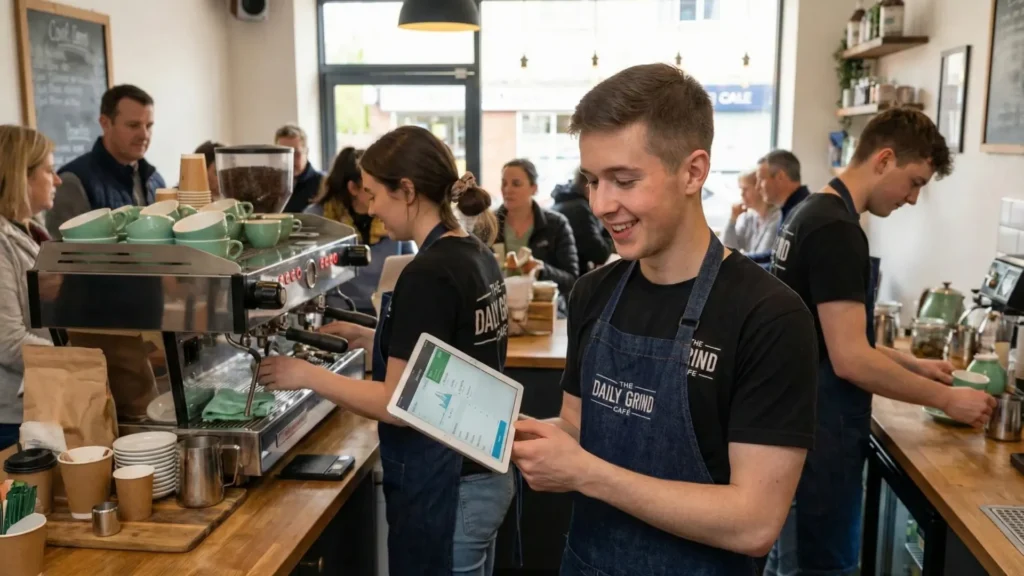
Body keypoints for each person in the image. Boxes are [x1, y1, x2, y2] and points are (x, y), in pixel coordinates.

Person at [510, 63, 818, 575]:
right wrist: (512, 435)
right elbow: (577, 425)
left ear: (693, 172)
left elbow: (754, 522)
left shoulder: (770, 318)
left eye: (624, 181)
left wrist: (587, 474)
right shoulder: (594, 294)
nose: (602, 204)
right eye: (592, 180)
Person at [257, 126, 514, 575]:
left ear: (408, 191)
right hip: (484, 475)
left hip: (447, 485)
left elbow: (398, 403)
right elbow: (450, 351)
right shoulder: (474, 252)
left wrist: (306, 374)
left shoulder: (426, 273)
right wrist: (377, 337)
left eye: (375, 194)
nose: (370, 207)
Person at [766, 108, 996, 576]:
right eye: (914, 182)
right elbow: (850, 359)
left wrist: (914, 366)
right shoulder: (837, 230)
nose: (912, 199)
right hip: (818, 439)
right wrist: (947, 399)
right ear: (884, 159)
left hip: (796, 426)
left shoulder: (813, 212)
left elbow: (829, 332)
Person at [0, 126, 58, 449]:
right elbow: (8, 342)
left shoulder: (32, 232)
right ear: (21, 175)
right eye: (49, 170)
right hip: (10, 418)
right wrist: (76, 359)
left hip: (37, 402)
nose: (58, 179)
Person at [305, 146, 416, 315]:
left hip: (386, 309)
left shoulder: (391, 215)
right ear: (353, 188)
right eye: (372, 188)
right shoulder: (317, 219)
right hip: (336, 312)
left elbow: (410, 263)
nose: (383, 192)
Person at [46, 85, 164, 239]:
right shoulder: (73, 181)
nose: (144, 135)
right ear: (105, 123)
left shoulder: (155, 180)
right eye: (133, 125)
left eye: (149, 126)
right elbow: (64, 254)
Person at [496, 158, 579, 300]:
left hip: (541, 308)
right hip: (498, 309)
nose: (507, 189)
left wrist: (541, 270)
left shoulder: (556, 224)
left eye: (516, 184)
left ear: (534, 188)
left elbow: (571, 281)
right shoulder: (490, 224)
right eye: (504, 183)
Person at [745, 150, 809, 266]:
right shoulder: (790, 209)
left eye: (761, 179)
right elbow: (777, 255)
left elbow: (782, 267)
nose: (757, 186)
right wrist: (739, 260)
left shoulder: (803, 214)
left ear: (780, 176)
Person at [550, 168, 615, 272]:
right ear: (587, 185)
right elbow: (600, 254)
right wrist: (609, 221)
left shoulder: (564, 201)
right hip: (573, 281)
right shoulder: (579, 210)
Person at [722, 169, 780, 254]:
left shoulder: (776, 219)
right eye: (741, 189)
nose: (741, 194)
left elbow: (761, 256)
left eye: (745, 189)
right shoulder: (748, 217)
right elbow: (728, 249)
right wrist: (732, 219)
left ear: (759, 188)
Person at [275, 124, 324, 213]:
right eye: (283, 154)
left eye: (296, 153)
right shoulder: (270, 185)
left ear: (307, 152)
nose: (289, 161)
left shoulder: (324, 184)